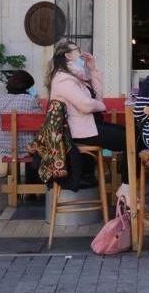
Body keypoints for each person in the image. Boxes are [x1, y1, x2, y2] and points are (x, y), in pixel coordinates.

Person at [47, 39, 130, 192]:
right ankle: (126, 187)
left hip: (91, 126)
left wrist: (92, 70)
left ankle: (126, 186)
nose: (81, 54)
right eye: (77, 50)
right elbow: (86, 105)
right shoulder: (62, 78)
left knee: (132, 134)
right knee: (129, 139)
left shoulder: (76, 76)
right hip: (80, 131)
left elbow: (96, 99)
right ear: (68, 55)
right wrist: (101, 106)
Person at [0, 70, 41, 167]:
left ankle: (18, 180)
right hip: (27, 148)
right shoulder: (30, 99)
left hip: (6, 147)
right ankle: (33, 179)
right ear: (26, 86)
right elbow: (39, 123)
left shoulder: (0, 99)